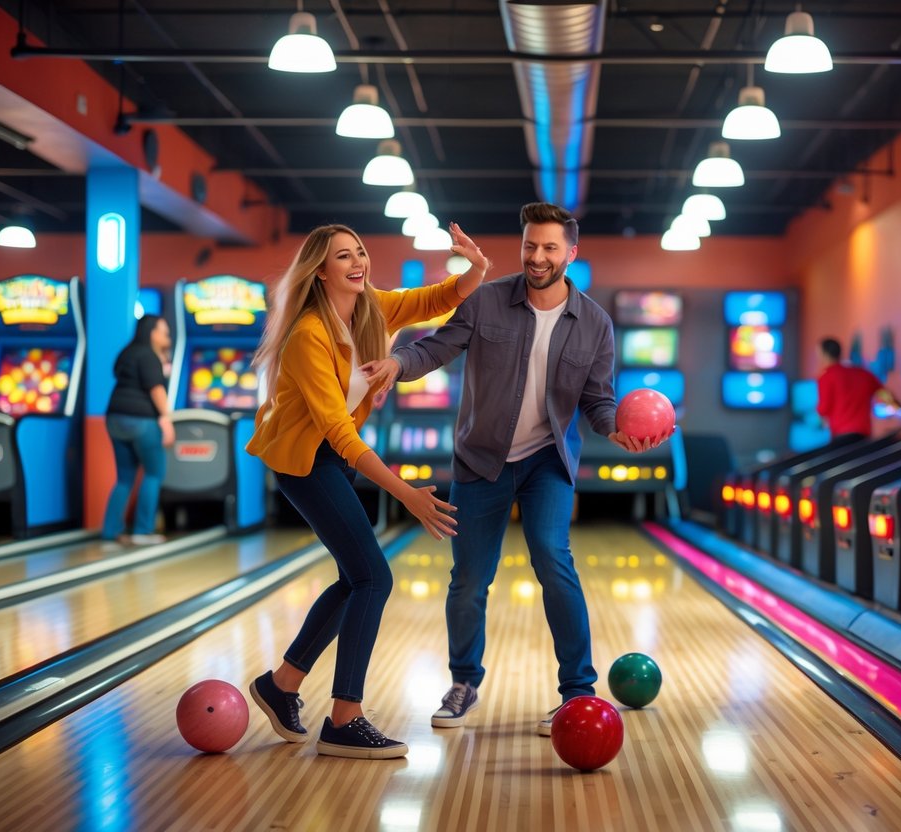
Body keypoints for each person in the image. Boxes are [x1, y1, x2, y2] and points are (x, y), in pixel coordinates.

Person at [364, 202, 672, 737]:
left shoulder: (595, 323)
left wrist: (613, 429)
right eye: (531, 245)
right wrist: (399, 363)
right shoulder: (485, 300)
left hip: (547, 460)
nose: (538, 256)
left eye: (551, 247)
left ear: (570, 254)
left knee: (554, 560)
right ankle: (464, 682)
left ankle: (577, 691)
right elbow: (438, 347)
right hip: (481, 458)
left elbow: (598, 400)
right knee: (468, 580)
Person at [246, 222, 490, 760]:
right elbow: (337, 430)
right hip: (305, 461)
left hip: (334, 458)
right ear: (320, 270)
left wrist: (475, 268)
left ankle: (281, 684)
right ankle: (344, 718)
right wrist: (407, 493)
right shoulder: (309, 334)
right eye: (342, 256)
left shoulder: (369, 308)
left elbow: (435, 298)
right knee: (374, 578)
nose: (357, 262)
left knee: (357, 578)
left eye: (359, 252)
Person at [100, 314, 175, 545]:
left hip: (114, 418)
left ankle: (110, 531)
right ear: (152, 332)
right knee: (154, 474)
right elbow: (156, 390)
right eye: (164, 332)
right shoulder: (148, 356)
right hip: (141, 420)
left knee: (124, 478)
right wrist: (167, 419)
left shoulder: (129, 352)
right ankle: (143, 531)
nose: (168, 337)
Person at [815, 337, 899, 439]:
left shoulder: (826, 377)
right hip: (863, 435)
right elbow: (886, 395)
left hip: (841, 436)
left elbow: (823, 408)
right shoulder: (863, 373)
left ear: (824, 354)